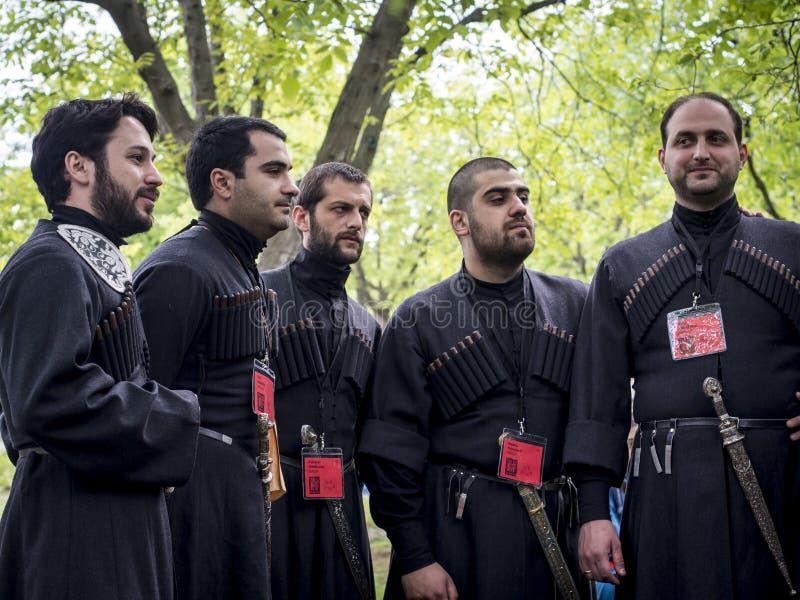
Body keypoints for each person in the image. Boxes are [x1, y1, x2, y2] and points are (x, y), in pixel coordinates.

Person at [564, 92, 800, 599]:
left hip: (785, 485)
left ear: (742, 153)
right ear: (663, 157)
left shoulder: (793, 248)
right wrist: (591, 512)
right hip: (665, 495)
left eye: (717, 138)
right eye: (684, 140)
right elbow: (597, 399)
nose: (700, 152)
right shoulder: (622, 265)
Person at [359, 157, 589, 599]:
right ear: (459, 221)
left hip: (555, 532)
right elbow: (391, 454)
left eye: (523, 196)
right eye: (498, 198)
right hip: (457, 537)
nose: (519, 207)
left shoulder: (574, 304)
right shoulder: (418, 318)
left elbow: (601, 418)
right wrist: (415, 557)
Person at [0, 95, 200, 599]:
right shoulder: (50, 263)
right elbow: (46, 402)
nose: (155, 175)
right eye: (136, 158)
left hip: (116, 518)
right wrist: (184, 413)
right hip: (77, 534)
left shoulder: (88, 261)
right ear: (78, 167)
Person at [133, 116, 299, 599]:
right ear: (222, 182)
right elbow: (141, 405)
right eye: (273, 171)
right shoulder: (181, 267)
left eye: (289, 172)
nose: (291, 187)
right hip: (193, 511)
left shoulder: (240, 266)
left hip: (237, 497)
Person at [261, 161, 380, 599]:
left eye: (363, 212)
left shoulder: (369, 327)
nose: (355, 222)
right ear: (301, 217)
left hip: (344, 511)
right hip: (270, 511)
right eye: (340, 209)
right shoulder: (259, 297)